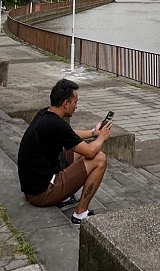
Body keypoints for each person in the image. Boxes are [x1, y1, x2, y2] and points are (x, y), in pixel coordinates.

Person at [17, 78, 112, 224]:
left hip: (33, 186)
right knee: (100, 159)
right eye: (75, 102)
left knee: (78, 148)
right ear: (66, 103)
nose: (76, 106)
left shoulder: (45, 114)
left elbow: (70, 134)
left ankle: (65, 197)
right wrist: (102, 137)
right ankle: (80, 214)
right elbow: (90, 152)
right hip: (42, 193)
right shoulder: (55, 124)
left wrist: (94, 133)